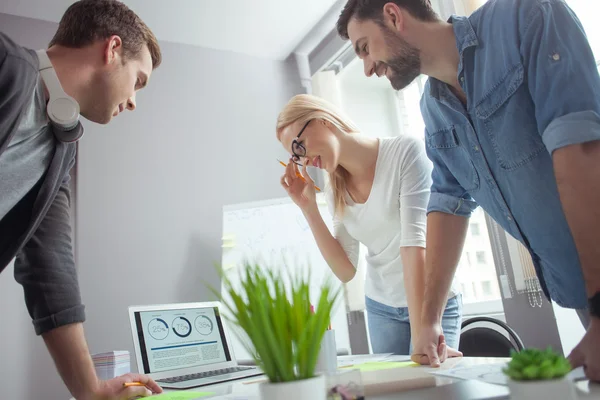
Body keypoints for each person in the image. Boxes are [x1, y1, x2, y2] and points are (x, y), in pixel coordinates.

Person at [336, 0, 600, 380]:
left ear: (394, 16)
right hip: (581, 288)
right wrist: (428, 322)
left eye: (364, 47)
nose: (367, 67)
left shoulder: (526, 18)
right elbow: (447, 204)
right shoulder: (434, 109)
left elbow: (578, 148)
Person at [0, 1, 163, 398]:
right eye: (138, 81)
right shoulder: (6, 64)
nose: (133, 102)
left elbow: (49, 266)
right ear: (112, 50)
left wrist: (91, 391)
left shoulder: (61, 151)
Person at [276, 94, 463, 354]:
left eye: (299, 146)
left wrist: (423, 332)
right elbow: (346, 271)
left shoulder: (404, 152)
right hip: (382, 308)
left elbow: (413, 243)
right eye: (296, 156)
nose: (304, 160)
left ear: (321, 121)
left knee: (432, 387)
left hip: (431, 301)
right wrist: (308, 208)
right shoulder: (335, 190)